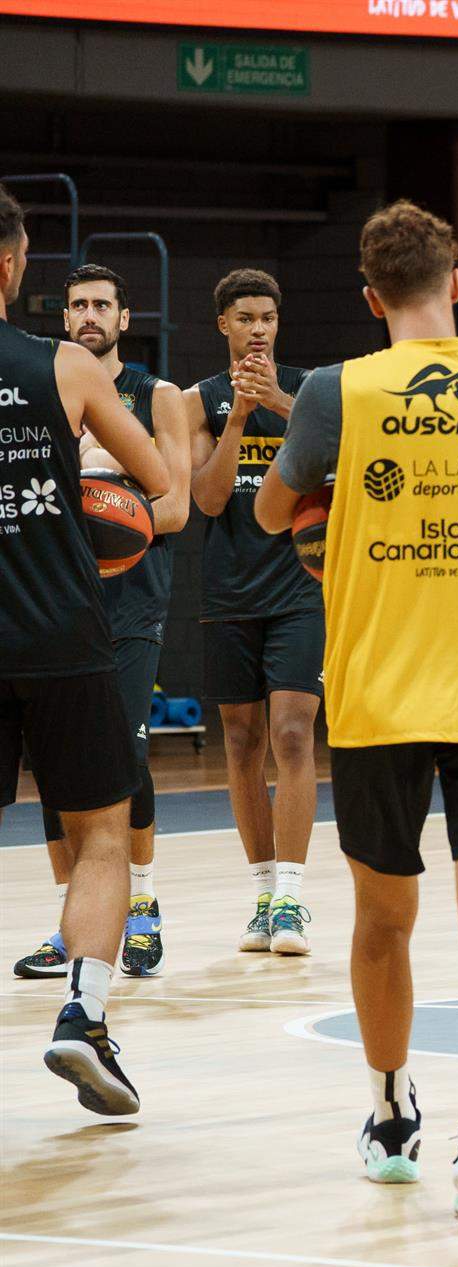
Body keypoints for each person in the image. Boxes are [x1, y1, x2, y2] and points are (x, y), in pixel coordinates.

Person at [258, 200, 458, 1215]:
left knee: (383, 920)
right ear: (457, 276)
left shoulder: (330, 391)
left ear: (367, 295)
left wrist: (336, 507)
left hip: (378, 687)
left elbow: (271, 512)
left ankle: (394, 1114)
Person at [0, 182, 172, 1114]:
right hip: (64, 631)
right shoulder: (67, 367)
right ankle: (83, 1017)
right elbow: (156, 486)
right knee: (102, 836)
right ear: (13, 266)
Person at [13, 264, 192, 982]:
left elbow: (175, 506)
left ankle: (140, 905)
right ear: (64, 318)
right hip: (59, 603)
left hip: (132, 603)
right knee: (56, 775)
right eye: (78, 304)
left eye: (103, 305)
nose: (90, 314)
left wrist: (100, 496)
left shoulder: (159, 397)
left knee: (127, 759)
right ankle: (71, 921)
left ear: (125, 318)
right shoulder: (46, 382)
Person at [184, 268, 321, 956]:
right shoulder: (196, 402)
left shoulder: (314, 391)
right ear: (223, 326)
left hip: (301, 587)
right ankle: (264, 895)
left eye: (267, 317)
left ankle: (294, 900)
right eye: (245, 318)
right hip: (230, 591)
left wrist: (280, 403)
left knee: (294, 735)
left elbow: (347, 461)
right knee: (241, 744)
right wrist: (239, 415)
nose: (259, 329)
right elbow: (207, 500)